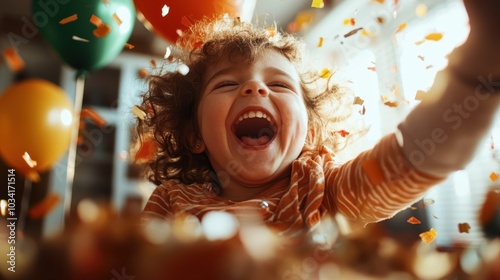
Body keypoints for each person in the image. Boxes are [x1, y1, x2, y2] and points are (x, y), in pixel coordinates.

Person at [137, 0, 500, 237]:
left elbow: (412, 160)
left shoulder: (324, 192)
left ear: (309, 133)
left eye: (279, 84)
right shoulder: (171, 201)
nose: (255, 89)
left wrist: (480, 64)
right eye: (228, 83)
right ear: (193, 135)